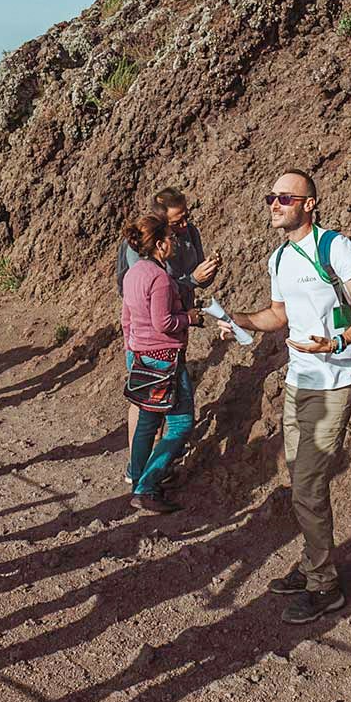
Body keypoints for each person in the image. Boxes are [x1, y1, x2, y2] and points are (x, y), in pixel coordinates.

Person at [218, 169, 351, 625]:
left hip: (334, 382)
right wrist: (239, 320)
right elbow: (278, 315)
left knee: (309, 486)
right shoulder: (279, 259)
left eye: (285, 198)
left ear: (309, 204)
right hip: (298, 382)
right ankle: (315, 563)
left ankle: (325, 586)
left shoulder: (334, 247)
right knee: (300, 483)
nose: (275, 204)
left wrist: (336, 343)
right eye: (270, 197)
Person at [115, 189, 218, 485]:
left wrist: (203, 275)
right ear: (159, 232)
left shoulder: (188, 233)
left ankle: (146, 473)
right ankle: (142, 477)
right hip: (153, 342)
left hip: (163, 339)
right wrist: (191, 289)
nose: (184, 226)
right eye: (177, 222)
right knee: (151, 410)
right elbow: (150, 297)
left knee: (154, 409)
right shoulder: (141, 254)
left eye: (186, 217)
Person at [121, 214, 205, 513]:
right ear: (159, 245)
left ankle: (138, 481)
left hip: (142, 357)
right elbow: (164, 322)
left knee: (147, 423)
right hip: (165, 360)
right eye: (170, 238)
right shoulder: (159, 277)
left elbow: (127, 319)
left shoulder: (133, 273)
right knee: (181, 423)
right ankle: (147, 487)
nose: (174, 242)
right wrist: (190, 318)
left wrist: (133, 353)